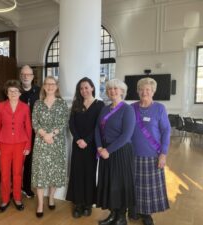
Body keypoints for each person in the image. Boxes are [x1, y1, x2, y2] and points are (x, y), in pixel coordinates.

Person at [95, 78, 136, 225]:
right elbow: (97, 130)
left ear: (122, 91)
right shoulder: (105, 109)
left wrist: (108, 150)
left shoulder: (127, 109)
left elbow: (126, 135)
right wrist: (100, 147)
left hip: (120, 151)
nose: (112, 91)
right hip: (105, 151)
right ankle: (112, 214)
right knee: (109, 182)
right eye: (110, 89)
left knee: (120, 183)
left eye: (115, 89)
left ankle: (121, 217)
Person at [130, 77, 171, 225]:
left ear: (153, 91)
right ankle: (134, 208)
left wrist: (163, 154)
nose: (144, 92)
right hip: (133, 154)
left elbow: (166, 131)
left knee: (148, 188)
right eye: (141, 89)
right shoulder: (131, 108)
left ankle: (147, 214)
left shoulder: (159, 108)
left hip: (153, 155)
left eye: (148, 89)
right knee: (134, 184)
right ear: (137, 91)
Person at [66, 77, 104, 218]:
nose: (84, 91)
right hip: (77, 145)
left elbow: (98, 127)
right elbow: (71, 124)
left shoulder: (100, 105)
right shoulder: (76, 104)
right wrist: (78, 139)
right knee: (77, 173)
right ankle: (78, 204)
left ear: (92, 88)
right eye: (81, 88)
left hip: (92, 145)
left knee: (89, 173)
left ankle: (88, 204)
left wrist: (87, 141)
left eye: (86, 87)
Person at [31, 76, 68, 218]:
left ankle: (51, 197)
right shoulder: (38, 104)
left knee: (54, 172)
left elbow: (63, 122)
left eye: (53, 84)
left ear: (57, 86)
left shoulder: (62, 103)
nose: (50, 86)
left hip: (56, 142)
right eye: (47, 84)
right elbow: (35, 122)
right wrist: (44, 135)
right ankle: (40, 204)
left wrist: (51, 135)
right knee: (40, 172)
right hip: (41, 142)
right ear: (44, 87)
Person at [0, 80, 32, 213]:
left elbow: (28, 127)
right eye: (11, 91)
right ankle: (5, 199)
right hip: (4, 144)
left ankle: (17, 198)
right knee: (4, 173)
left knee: (17, 173)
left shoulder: (25, 107)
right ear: (7, 93)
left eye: (16, 91)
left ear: (20, 93)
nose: (13, 93)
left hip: (21, 144)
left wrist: (28, 146)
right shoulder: (0, 106)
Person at [19, 65, 40, 198]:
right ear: (20, 76)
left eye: (29, 74)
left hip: (34, 132)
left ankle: (26, 187)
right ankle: (13, 187)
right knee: (16, 160)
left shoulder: (39, 92)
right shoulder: (15, 90)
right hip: (17, 132)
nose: (26, 76)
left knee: (29, 161)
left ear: (32, 77)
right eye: (23, 74)